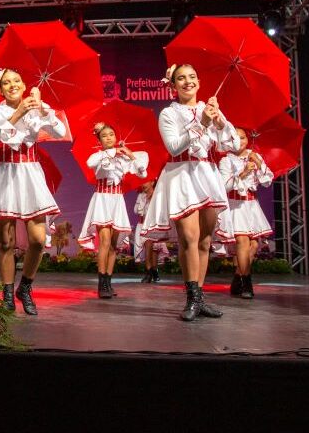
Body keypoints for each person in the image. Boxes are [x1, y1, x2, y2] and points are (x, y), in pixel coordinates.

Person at [139, 64, 239, 321]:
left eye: (192, 77)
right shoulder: (169, 114)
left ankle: (200, 297)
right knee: (189, 239)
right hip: (181, 176)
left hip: (206, 175)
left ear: (199, 81)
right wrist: (200, 123)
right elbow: (173, 147)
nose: (187, 82)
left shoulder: (210, 108)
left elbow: (233, 144)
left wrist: (219, 121)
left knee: (205, 241)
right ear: (172, 85)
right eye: (181, 78)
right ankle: (192, 297)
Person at [0, 67, 66, 315]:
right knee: (6, 241)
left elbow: (61, 132)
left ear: (23, 82)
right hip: (5, 174)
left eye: (16, 80)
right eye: (6, 83)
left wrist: (42, 110)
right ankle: (7, 292)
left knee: (38, 240)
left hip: (30, 174)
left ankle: (25, 287)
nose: (12, 85)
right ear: (0, 88)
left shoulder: (36, 106)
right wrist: (19, 113)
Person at [77, 122, 148, 298]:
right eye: (104, 135)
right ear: (99, 140)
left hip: (117, 201)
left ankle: (108, 282)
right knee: (105, 242)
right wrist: (112, 152)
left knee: (114, 246)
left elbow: (142, 173)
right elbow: (90, 162)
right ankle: (101, 283)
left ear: (116, 137)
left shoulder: (123, 157)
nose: (108, 137)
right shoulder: (98, 156)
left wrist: (129, 154)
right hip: (102, 199)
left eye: (111, 134)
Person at [218, 127, 274, 299]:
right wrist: (242, 173)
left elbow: (267, 181)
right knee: (242, 243)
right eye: (235, 137)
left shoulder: (254, 156)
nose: (240, 141)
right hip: (235, 205)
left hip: (252, 205)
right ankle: (246, 282)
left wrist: (258, 162)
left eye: (242, 137)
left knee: (254, 246)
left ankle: (237, 278)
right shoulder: (226, 160)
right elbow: (224, 186)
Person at [133, 180, 162, 283]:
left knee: (154, 249)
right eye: (142, 182)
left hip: (153, 224)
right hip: (142, 225)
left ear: (152, 183)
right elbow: (136, 210)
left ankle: (154, 270)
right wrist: (143, 202)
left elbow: (159, 210)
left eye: (145, 182)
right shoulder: (141, 196)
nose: (143, 185)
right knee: (147, 247)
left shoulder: (157, 194)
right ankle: (149, 272)